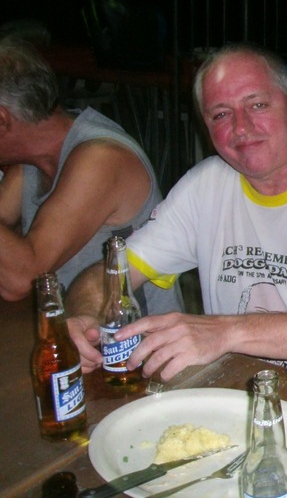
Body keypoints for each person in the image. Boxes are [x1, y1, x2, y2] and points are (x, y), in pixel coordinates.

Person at [65, 43, 287, 395]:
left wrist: (225, 332)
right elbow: (108, 275)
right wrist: (86, 317)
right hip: (238, 391)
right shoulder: (205, 185)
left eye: (257, 105)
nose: (241, 128)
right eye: (221, 115)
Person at [0, 38, 179, 313]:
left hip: (134, 337)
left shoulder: (101, 158)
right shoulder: (34, 158)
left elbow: (21, 278)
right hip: (75, 326)